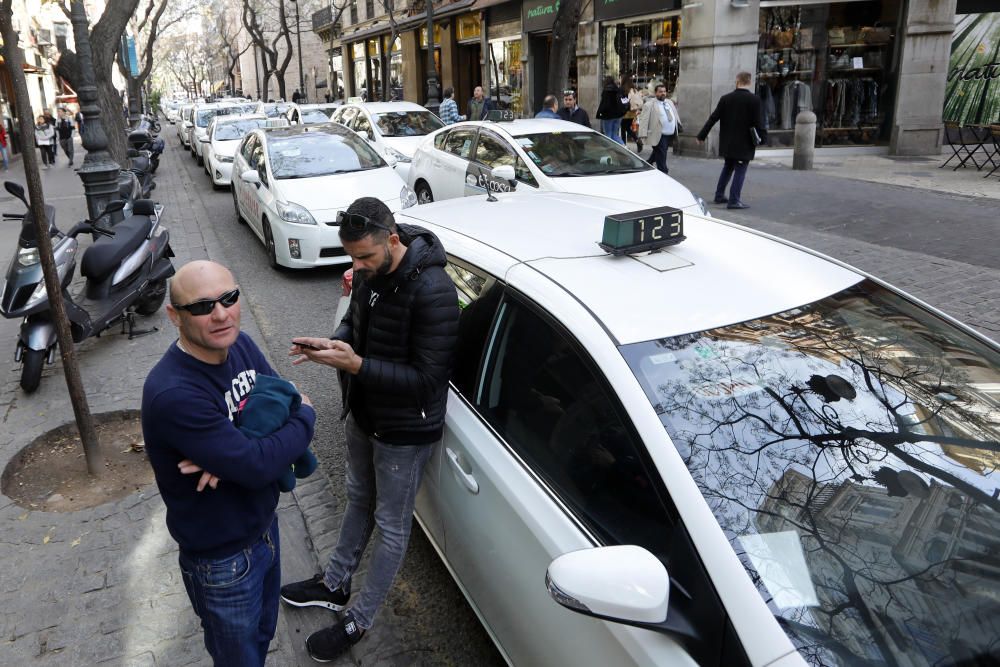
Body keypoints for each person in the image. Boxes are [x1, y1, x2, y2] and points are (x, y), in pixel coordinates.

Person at [282, 197, 459, 663]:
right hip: (364, 413)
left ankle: (359, 619)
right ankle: (334, 583)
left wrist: (356, 364)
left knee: (391, 526)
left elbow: (427, 382)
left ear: (393, 240)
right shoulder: (367, 272)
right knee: (357, 496)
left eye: (365, 257)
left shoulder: (435, 290)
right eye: (352, 258)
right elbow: (353, 322)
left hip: (405, 430)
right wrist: (335, 342)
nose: (357, 267)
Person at [142, 260, 316, 666]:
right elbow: (275, 437)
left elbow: (279, 396)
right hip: (222, 560)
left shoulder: (238, 344)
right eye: (202, 307)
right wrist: (306, 415)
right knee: (239, 659)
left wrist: (233, 453)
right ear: (174, 316)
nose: (221, 314)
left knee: (261, 636)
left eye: (229, 298)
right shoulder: (173, 393)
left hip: (265, 528)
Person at [697, 71, 766, 210]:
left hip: (727, 142)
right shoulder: (754, 100)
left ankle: (719, 195)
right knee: (740, 170)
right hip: (744, 143)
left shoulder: (725, 98)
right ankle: (734, 200)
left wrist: (701, 135)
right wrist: (763, 139)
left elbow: (713, 118)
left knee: (728, 167)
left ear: (737, 81)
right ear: (749, 82)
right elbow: (759, 123)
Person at [637, 84, 680, 175]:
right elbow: (644, 120)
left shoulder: (669, 102)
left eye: (664, 91)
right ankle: (663, 172)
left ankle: (648, 162)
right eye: (660, 92)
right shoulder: (649, 104)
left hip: (670, 134)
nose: (663, 93)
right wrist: (642, 135)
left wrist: (678, 126)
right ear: (656, 93)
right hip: (658, 134)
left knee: (659, 152)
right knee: (662, 154)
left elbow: (675, 115)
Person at [595, 75, 626, 145]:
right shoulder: (618, 90)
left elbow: (604, 104)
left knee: (608, 135)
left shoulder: (606, 91)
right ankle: (624, 148)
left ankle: (609, 151)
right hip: (618, 115)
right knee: (614, 135)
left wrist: (600, 113)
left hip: (608, 116)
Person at [620, 74, 644, 151]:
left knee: (624, 128)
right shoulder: (634, 89)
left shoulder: (624, 89)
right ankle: (636, 140)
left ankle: (624, 145)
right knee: (627, 128)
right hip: (633, 112)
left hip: (626, 112)